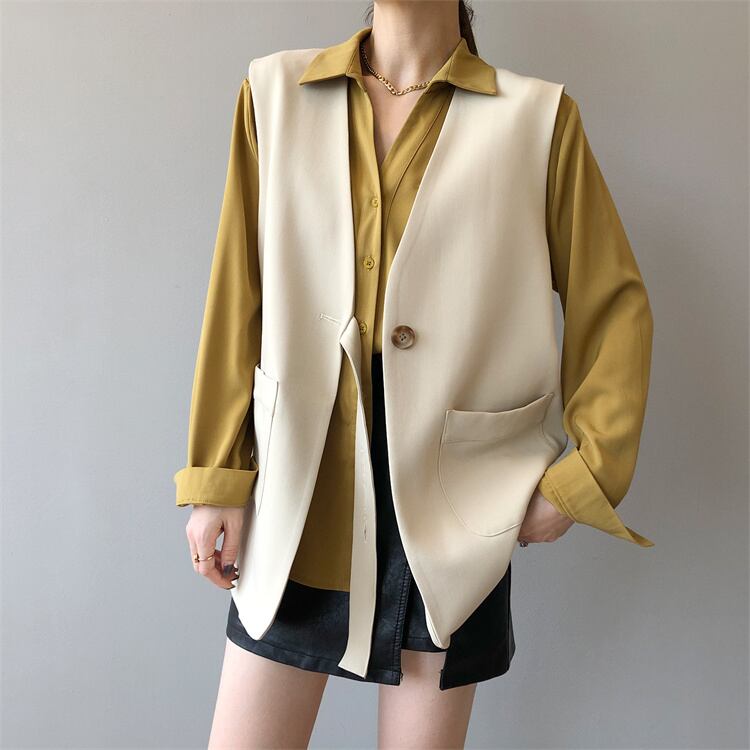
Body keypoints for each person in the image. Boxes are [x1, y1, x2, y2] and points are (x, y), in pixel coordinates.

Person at [173, 2, 655, 747]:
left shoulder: (537, 118)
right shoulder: (274, 91)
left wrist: (583, 478)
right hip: (302, 485)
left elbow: (613, 304)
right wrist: (217, 476)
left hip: (452, 502)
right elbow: (239, 293)